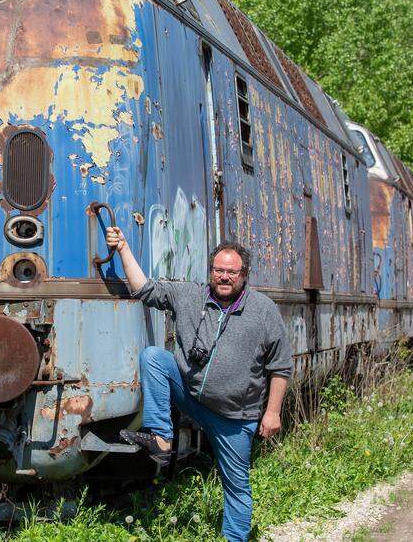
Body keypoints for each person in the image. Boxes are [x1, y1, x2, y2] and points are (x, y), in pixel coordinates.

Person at [105, 226, 291, 542]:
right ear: (211, 271)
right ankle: (162, 437)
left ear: (244, 275)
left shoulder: (263, 310)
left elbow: (280, 367)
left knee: (236, 484)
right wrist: (122, 247)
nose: (224, 277)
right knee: (154, 357)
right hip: (192, 396)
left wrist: (272, 413)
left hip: (234, 417)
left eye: (232, 272)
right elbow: (144, 289)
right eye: (219, 270)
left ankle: (235, 538)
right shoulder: (189, 295)